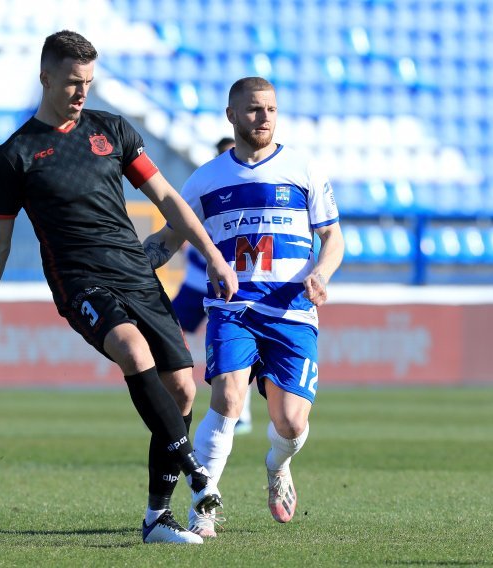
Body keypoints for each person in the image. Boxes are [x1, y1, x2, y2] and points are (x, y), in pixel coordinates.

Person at [0, 30, 238, 545]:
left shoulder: (111, 130)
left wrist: (214, 255)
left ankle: (157, 518)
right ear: (45, 77)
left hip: (135, 271)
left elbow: (168, 199)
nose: (82, 91)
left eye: (88, 81)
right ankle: (198, 473)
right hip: (79, 279)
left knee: (181, 389)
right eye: (71, 81)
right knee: (132, 350)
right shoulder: (15, 154)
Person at [143, 76, 344, 538]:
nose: (264, 118)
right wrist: (132, 265)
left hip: (292, 310)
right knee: (227, 398)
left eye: (271, 109)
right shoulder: (206, 179)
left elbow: (333, 237)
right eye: (254, 110)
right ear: (231, 115)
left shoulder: (303, 169)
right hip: (233, 308)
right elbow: (168, 239)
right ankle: (204, 505)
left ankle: (278, 465)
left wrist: (322, 274)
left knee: (290, 423)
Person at [171, 136, 254, 436]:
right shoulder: (207, 184)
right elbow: (183, 227)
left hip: (234, 283)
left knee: (237, 345)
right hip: (197, 282)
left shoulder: (248, 187)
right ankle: (177, 388)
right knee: (168, 328)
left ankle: (240, 412)